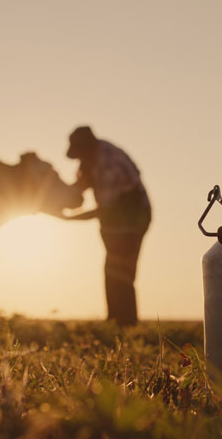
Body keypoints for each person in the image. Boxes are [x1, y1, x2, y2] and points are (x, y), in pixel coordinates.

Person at [63, 126, 151, 326]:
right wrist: (60, 198)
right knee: (112, 269)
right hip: (114, 222)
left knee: (122, 271)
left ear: (87, 148)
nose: (79, 161)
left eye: (80, 154)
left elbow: (105, 210)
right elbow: (79, 187)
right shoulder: (89, 161)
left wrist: (70, 218)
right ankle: (114, 321)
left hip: (131, 220)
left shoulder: (109, 162)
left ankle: (126, 324)